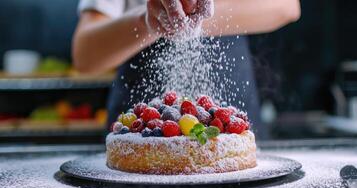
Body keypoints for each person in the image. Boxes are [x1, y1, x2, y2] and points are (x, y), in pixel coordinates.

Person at [73, 0, 300, 139]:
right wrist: (148, 21)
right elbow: (85, 54)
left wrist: (191, 13)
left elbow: (286, 6)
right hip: (139, 136)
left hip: (232, 133)